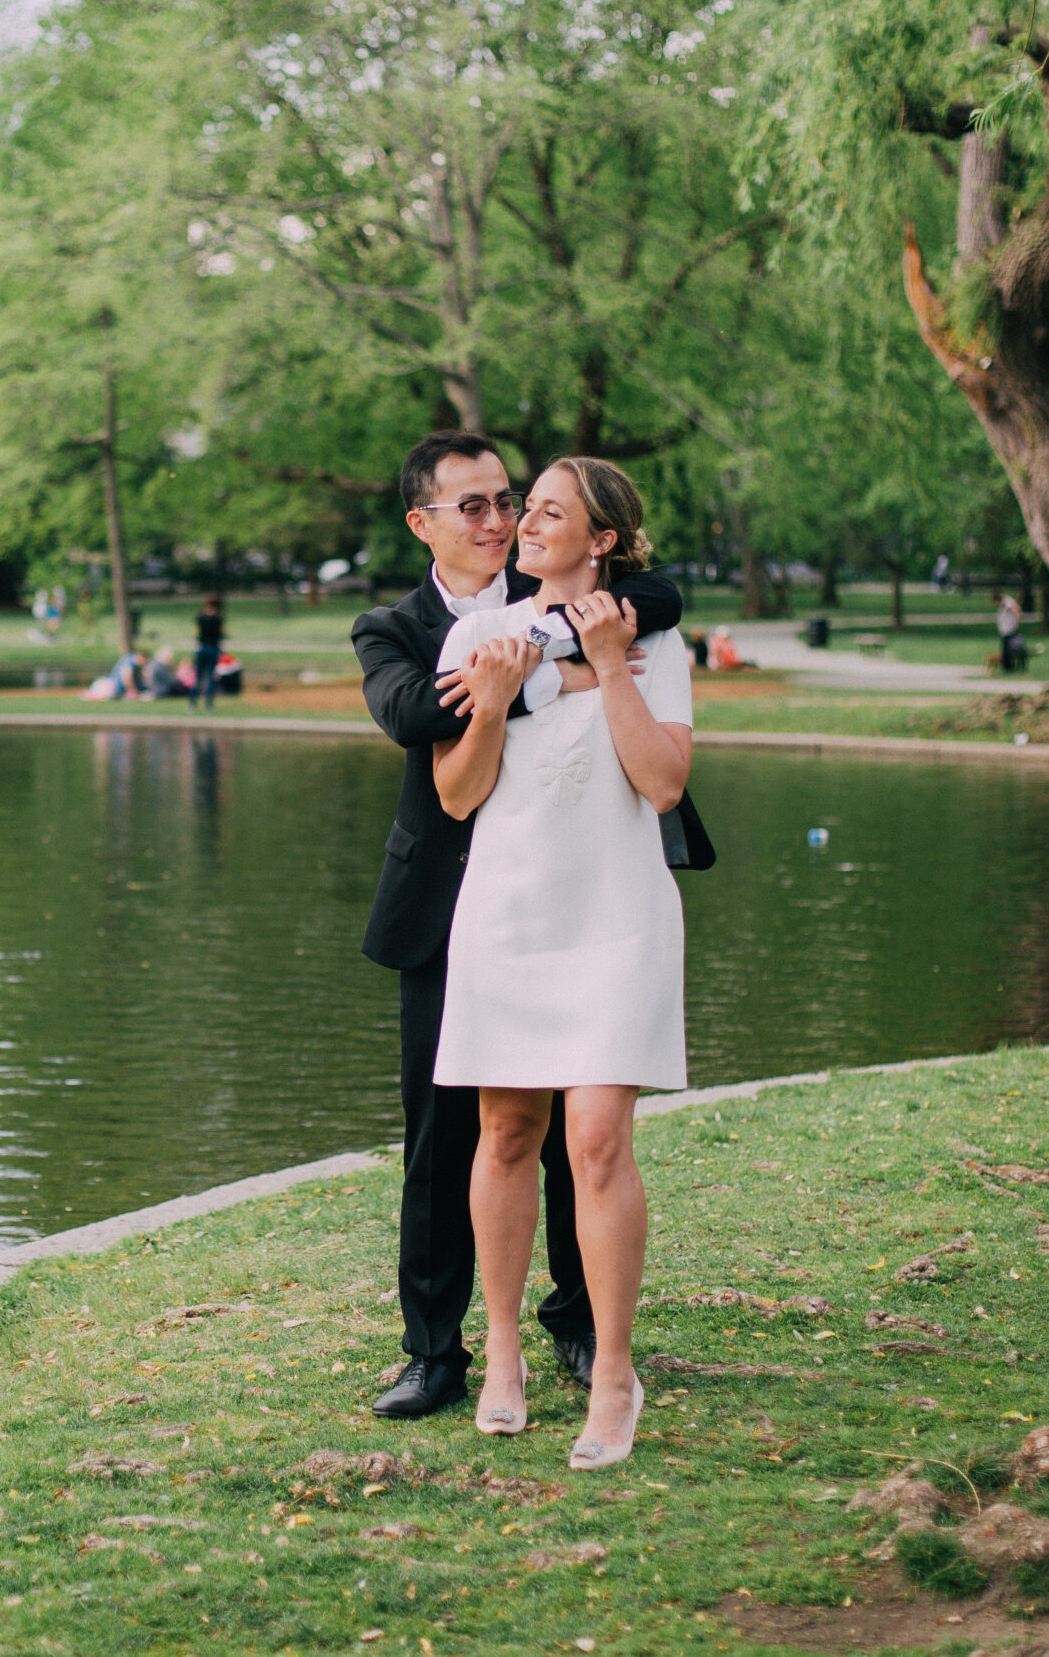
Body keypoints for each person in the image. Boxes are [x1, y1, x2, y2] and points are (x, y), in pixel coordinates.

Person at [350, 430, 682, 1424]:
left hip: (591, 889)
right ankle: (435, 1350)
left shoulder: (598, 609)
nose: (500, 521)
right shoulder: (398, 628)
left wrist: (564, 655)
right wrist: (528, 678)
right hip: (453, 905)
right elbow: (419, 716)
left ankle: (581, 1325)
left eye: (511, 501)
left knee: (576, 1136)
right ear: (424, 525)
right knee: (448, 1138)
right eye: (477, 508)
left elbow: (654, 600)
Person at [431, 455, 689, 1472]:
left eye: (546, 513)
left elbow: (663, 784)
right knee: (502, 1132)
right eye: (523, 510)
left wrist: (613, 664)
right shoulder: (475, 635)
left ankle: (614, 1371)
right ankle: (501, 1355)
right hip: (509, 909)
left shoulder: (655, 639)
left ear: (605, 541)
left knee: (594, 1138)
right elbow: (455, 795)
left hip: (617, 909)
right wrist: (491, 704)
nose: (520, 525)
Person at [191, 596, 226, 713]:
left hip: (201, 647)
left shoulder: (200, 616)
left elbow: (197, 632)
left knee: (198, 677)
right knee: (210, 677)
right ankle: (208, 705)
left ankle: (192, 703)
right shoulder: (218, 618)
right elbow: (220, 635)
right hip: (212, 648)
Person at [996, 594, 1025, 673]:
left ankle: (1008, 667)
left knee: (1008, 650)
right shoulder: (1004, 603)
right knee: (1005, 649)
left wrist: (1017, 623)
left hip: (1009, 630)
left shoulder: (1008, 602)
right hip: (1005, 631)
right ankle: (1006, 666)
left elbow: (1017, 611)